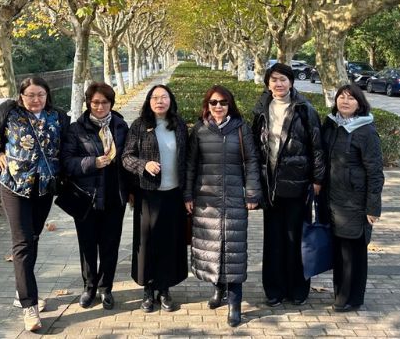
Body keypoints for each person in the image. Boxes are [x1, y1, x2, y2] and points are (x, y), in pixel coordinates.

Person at [0, 76, 69, 332]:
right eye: (30, 95)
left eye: (40, 94)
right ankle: (29, 306)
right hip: (14, 187)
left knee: (32, 238)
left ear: (47, 95)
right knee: (22, 243)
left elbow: (67, 148)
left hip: (43, 189)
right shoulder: (7, 112)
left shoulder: (58, 116)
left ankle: (20, 291)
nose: (36, 100)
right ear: (21, 96)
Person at [184, 85, 261, 327]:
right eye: (214, 102)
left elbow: (252, 161)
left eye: (223, 102)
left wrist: (252, 193)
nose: (218, 106)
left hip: (234, 200)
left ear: (230, 105)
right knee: (212, 247)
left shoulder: (240, 128)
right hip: (206, 200)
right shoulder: (199, 129)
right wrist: (188, 195)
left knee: (233, 250)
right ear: (207, 105)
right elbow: (190, 165)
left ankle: (235, 304)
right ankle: (218, 289)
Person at [252, 62, 326, 307]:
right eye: (274, 79)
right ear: (268, 83)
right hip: (270, 186)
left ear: (291, 82)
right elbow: (255, 147)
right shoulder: (261, 109)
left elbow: (317, 147)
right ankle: (274, 289)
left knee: (296, 238)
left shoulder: (305, 109)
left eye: (283, 79)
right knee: (273, 240)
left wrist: (317, 179)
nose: (278, 84)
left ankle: (297, 289)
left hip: (298, 184)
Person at [61, 82, 129, 310]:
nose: (100, 107)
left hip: (114, 197)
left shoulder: (120, 126)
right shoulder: (76, 129)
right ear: (88, 103)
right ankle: (89, 287)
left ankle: (105, 287)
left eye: (105, 102)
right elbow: (67, 162)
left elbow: (128, 158)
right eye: (95, 102)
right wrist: (93, 162)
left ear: (111, 103)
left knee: (110, 245)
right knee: (88, 245)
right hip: (86, 198)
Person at [122, 84, 189, 312]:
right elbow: (126, 157)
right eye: (154, 97)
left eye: (164, 97)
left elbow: (188, 158)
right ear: (148, 101)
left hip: (174, 194)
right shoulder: (140, 125)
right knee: (147, 244)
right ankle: (148, 290)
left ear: (171, 100)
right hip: (148, 194)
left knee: (169, 243)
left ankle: (164, 289)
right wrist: (144, 164)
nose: (159, 101)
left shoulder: (179, 125)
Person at [321, 83, 384, 312]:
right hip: (332, 200)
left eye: (351, 98)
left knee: (353, 251)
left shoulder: (366, 131)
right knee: (339, 250)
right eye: (341, 97)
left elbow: (375, 172)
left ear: (360, 103)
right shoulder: (331, 124)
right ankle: (341, 293)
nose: (345, 101)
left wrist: (373, 207)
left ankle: (351, 297)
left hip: (355, 202)